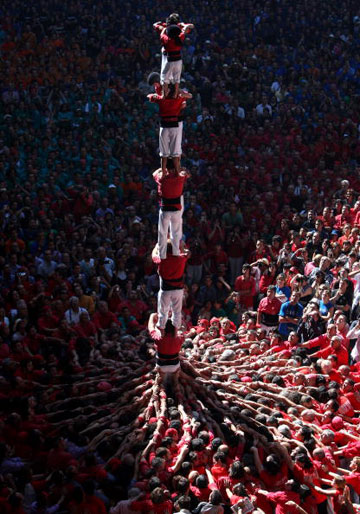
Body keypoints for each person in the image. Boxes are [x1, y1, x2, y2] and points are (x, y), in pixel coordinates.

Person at [148, 84, 192, 174]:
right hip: (172, 126)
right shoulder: (178, 99)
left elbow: (149, 97)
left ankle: (165, 171)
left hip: (166, 126)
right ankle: (175, 171)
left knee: (165, 153)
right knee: (172, 153)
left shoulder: (162, 99)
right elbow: (189, 97)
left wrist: (155, 95)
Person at [153, 159, 190, 260]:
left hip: (165, 209)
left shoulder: (161, 178)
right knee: (175, 232)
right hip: (176, 209)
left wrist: (162, 169)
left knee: (162, 232)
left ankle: (162, 254)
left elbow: (154, 173)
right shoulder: (180, 177)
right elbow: (188, 174)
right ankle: (176, 253)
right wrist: (179, 169)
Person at [152, 242, 190, 330]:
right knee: (177, 312)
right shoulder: (181, 258)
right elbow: (188, 253)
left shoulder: (161, 259)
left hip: (165, 290)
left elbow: (153, 255)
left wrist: (156, 247)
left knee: (163, 313)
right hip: (178, 290)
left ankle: (162, 331)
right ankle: (175, 332)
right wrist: (183, 245)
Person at [153, 16, 194, 97]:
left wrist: (164, 29)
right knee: (177, 78)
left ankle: (164, 95)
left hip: (169, 59)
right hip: (178, 59)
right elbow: (187, 29)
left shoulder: (167, 39)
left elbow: (157, 28)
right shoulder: (180, 37)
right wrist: (183, 26)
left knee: (164, 78)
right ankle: (175, 94)